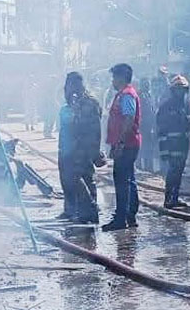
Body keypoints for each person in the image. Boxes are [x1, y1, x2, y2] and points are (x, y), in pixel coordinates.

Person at [56, 71, 103, 224]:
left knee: (85, 178)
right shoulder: (70, 104)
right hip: (67, 149)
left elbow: (95, 130)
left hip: (83, 149)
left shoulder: (90, 103)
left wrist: (94, 152)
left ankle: (91, 210)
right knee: (67, 179)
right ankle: (70, 210)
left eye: (70, 85)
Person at [103, 62, 143, 231]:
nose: (112, 80)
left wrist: (119, 143)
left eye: (114, 77)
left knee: (121, 180)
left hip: (126, 144)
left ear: (120, 78)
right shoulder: (122, 94)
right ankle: (130, 215)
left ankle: (121, 218)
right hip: (128, 143)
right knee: (129, 179)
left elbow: (128, 119)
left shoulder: (126, 95)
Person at [155, 75, 190, 209]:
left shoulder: (187, 105)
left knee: (179, 172)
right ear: (173, 90)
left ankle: (175, 197)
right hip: (171, 145)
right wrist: (164, 151)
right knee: (172, 172)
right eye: (177, 89)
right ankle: (169, 199)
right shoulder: (166, 106)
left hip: (183, 145)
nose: (180, 92)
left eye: (182, 89)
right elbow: (161, 129)